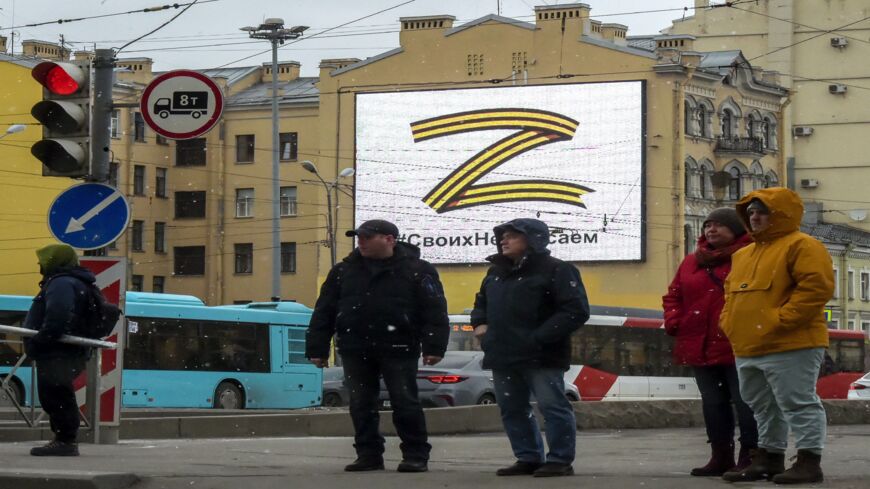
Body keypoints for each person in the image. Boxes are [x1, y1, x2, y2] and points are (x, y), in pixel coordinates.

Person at [305, 219, 449, 473]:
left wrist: (434, 347)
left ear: (389, 240)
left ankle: (415, 454)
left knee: (405, 401)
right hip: (354, 346)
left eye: (367, 237)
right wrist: (317, 348)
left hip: (400, 345)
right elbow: (324, 310)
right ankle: (368, 454)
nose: (361, 241)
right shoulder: (343, 271)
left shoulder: (418, 269)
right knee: (360, 403)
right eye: (359, 237)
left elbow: (434, 310)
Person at [719, 188, 835, 484]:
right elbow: (730, 296)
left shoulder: (803, 245)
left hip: (793, 343)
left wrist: (779, 321)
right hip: (748, 344)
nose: (755, 217)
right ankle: (769, 458)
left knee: (798, 402)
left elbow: (816, 289)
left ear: (780, 214)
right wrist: (729, 323)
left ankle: (810, 461)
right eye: (751, 212)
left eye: (762, 211)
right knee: (761, 405)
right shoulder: (743, 254)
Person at [470, 218, 590, 477]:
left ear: (533, 239)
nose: (504, 240)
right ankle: (528, 457)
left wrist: (538, 338)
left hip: (542, 355)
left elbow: (575, 310)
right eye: (502, 235)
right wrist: (480, 325)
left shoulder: (557, 269)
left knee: (553, 407)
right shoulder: (495, 272)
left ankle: (559, 459)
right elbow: (481, 303)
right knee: (512, 408)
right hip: (502, 354)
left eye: (512, 235)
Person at [662, 208, 758, 476]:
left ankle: (750, 456)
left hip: (737, 344)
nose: (711, 230)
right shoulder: (692, 261)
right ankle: (721, 456)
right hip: (698, 343)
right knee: (713, 403)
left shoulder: (750, 256)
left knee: (745, 402)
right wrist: (674, 321)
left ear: (737, 230)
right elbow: (673, 295)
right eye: (708, 226)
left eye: (719, 226)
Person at [23, 244, 93, 456]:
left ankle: (65, 441)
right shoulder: (68, 281)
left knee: (57, 394)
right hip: (61, 351)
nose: (39, 265)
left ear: (55, 261)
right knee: (56, 393)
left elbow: (58, 317)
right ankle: (63, 439)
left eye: (43, 260)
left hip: (57, 351)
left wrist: (40, 341)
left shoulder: (61, 283)